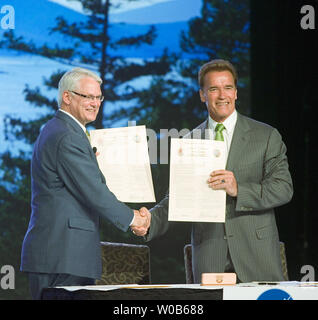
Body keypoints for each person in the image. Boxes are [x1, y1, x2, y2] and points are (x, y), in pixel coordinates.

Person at [132, 59, 293, 283]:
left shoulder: (266, 136)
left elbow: (283, 188)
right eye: (213, 89)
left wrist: (239, 189)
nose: (222, 95)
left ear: (236, 93)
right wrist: (150, 220)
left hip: (257, 255)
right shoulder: (189, 141)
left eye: (228, 88)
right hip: (210, 254)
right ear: (202, 95)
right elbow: (178, 199)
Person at [20, 67, 149, 299]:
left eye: (98, 97)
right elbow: (94, 192)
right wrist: (133, 219)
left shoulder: (62, 130)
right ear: (67, 97)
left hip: (62, 255)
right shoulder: (68, 135)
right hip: (63, 256)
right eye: (87, 96)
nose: (95, 103)